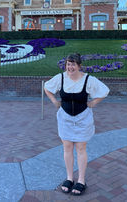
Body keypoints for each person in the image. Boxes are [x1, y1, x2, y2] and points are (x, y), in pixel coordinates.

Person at [44, 53, 109, 196]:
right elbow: (47, 88)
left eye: (73, 64)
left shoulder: (88, 80)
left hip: (83, 118)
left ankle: (81, 180)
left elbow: (104, 91)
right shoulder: (60, 78)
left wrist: (93, 102)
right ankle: (69, 178)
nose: (70, 67)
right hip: (65, 118)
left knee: (80, 148)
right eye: (68, 64)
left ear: (79, 66)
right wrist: (55, 101)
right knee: (67, 147)